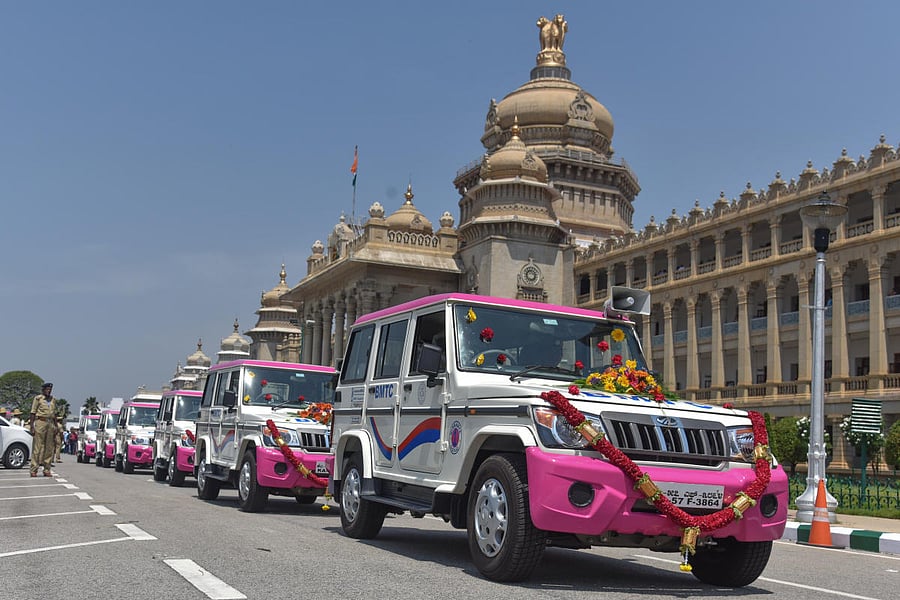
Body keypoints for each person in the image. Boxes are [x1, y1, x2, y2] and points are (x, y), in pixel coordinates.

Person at [29, 383, 57, 477]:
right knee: (37, 447)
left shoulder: (53, 399)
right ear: (43, 390)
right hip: (40, 422)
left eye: (50, 389)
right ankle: (34, 470)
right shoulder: (38, 399)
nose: (49, 391)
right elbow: (33, 412)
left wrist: (56, 426)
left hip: (50, 423)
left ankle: (47, 469)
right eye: (47, 389)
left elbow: (54, 414)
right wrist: (32, 426)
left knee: (49, 447)